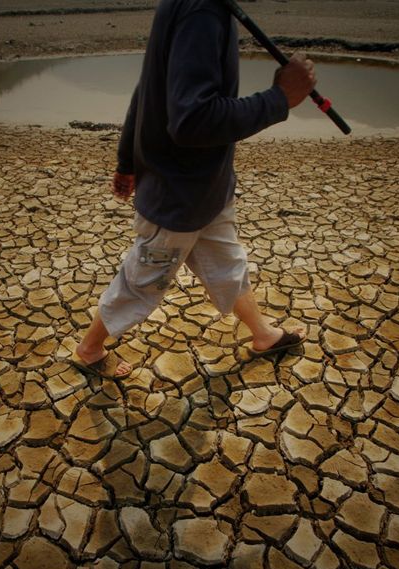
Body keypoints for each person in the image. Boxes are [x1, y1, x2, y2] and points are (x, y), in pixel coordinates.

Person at [73, 0, 317, 379]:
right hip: (179, 197)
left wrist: (127, 160)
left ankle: (264, 335)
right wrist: (279, 99)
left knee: (226, 262)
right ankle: (89, 350)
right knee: (144, 280)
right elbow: (192, 120)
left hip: (205, 188)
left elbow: (148, 88)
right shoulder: (202, 10)